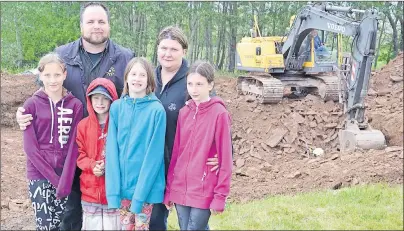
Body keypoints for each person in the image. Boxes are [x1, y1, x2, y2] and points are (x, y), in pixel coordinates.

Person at [15, 3, 135, 230]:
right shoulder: (62, 55)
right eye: (90, 22)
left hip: (105, 148)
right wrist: (23, 112)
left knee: (106, 210)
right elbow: (43, 90)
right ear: (81, 25)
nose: (96, 27)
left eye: (101, 21)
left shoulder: (125, 57)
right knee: (69, 212)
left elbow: (139, 89)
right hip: (68, 148)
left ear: (109, 25)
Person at [151, 26, 220, 231]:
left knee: (192, 224)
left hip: (184, 166)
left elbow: (215, 117)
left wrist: (221, 155)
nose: (167, 54)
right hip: (153, 163)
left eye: (173, 49)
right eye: (163, 48)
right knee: (154, 219)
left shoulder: (193, 80)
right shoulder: (149, 78)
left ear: (184, 51)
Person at [163, 60, 233, 230]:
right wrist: (170, 189)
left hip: (204, 187)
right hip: (180, 186)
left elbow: (226, 159)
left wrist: (220, 196)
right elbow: (176, 154)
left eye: (200, 84)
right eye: (190, 84)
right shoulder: (184, 112)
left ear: (210, 85)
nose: (194, 89)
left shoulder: (219, 114)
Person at [22, 53, 83, 231]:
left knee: (58, 224)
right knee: (45, 225)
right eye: (47, 75)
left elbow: (74, 146)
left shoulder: (75, 105)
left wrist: (64, 179)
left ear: (65, 74)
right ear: (40, 75)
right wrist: (55, 179)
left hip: (64, 175)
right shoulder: (31, 105)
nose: (52, 80)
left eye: (57, 75)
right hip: (39, 174)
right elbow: (30, 148)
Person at [105, 57, 166, 231]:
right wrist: (114, 191)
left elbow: (154, 157)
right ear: (126, 78)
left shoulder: (156, 111)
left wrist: (139, 195)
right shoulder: (116, 108)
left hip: (145, 189)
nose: (137, 79)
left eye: (142, 75)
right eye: (133, 74)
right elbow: (112, 151)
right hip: (123, 188)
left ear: (149, 80)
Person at [76, 78, 120, 230]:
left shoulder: (119, 124)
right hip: (90, 192)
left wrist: (109, 166)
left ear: (112, 100)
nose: (100, 103)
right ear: (90, 100)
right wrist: (93, 165)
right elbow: (80, 155)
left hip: (113, 193)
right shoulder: (83, 126)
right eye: (96, 98)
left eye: (104, 98)